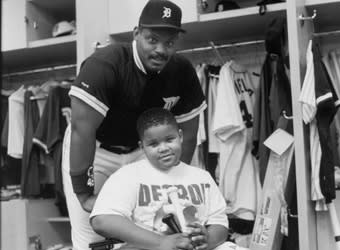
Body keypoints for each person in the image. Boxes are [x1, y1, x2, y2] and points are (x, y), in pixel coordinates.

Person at [62, 0, 207, 249]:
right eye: (152, 39)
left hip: (142, 152)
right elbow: (81, 131)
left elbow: (188, 135)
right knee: (92, 235)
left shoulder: (181, 71)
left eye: (169, 42)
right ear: (136, 34)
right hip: (96, 150)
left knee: (152, 230)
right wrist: (84, 193)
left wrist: (175, 178)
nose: (160, 49)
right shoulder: (106, 64)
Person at [90, 108, 230, 250]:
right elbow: (101, 221)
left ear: (180, 136)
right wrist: (161, 243)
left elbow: (220, 224)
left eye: (170, 139)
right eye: (153, 144)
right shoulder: (128, 176)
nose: (163, 148)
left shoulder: (202, 177)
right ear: (142, 147)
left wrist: (208, 239)